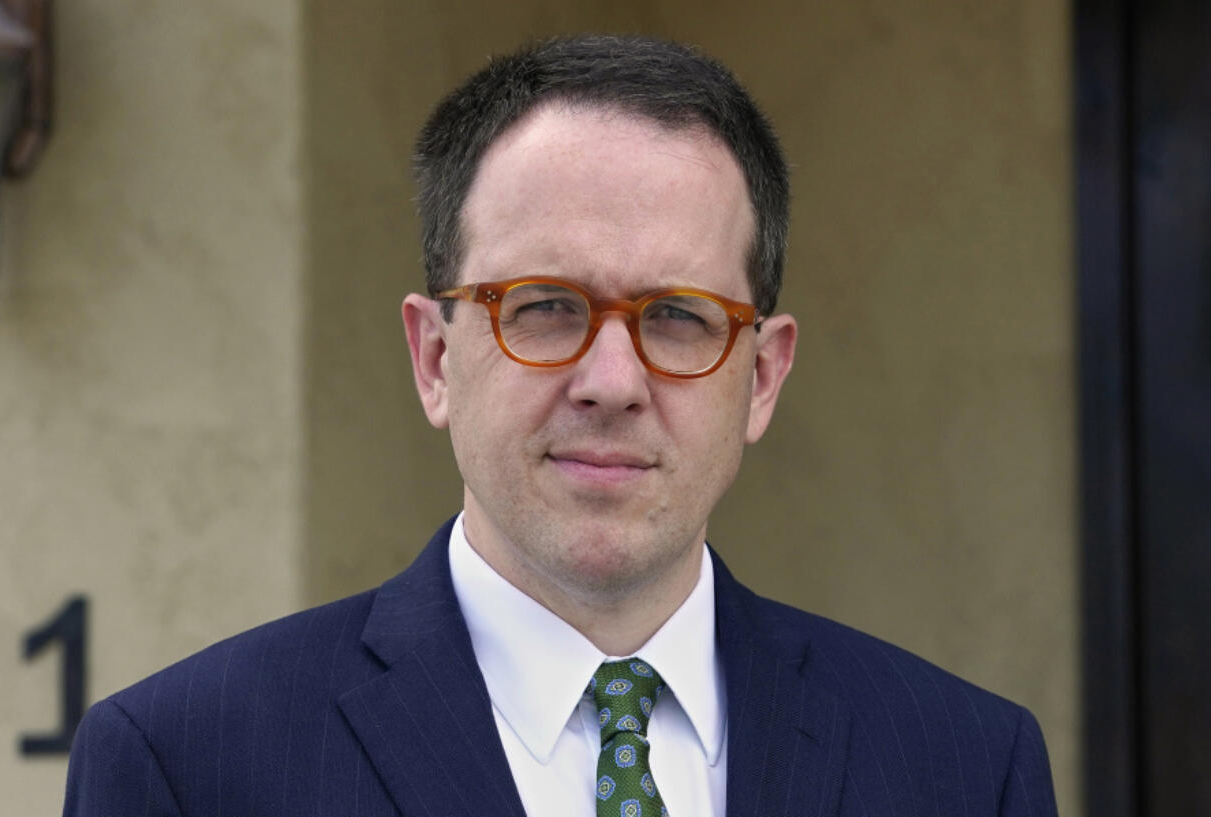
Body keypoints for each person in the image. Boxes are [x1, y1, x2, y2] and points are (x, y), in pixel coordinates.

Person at [63, 34, 1058, 817]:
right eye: (544, 305)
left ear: (762, 376)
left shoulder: (964, 766)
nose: (611, 381)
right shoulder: (186, 768)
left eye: (676, 317)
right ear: (434, 356)